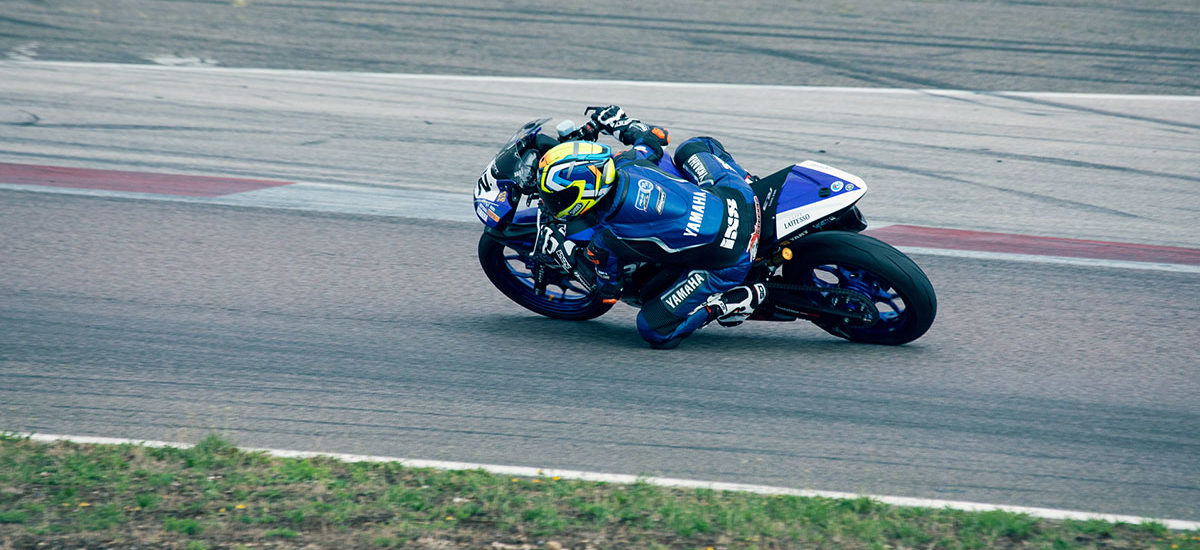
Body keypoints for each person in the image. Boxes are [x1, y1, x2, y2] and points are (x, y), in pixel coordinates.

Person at [533, 105, 766, 349]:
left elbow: (608, 292)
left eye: (558, 197)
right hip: (740, 196)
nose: (553, 202)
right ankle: (753, 182)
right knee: (694, 147)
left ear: (585, 194)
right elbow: (654, 139)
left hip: (731, 258)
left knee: (653, 329)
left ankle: (730, 302)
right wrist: (618, 122)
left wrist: (567, 255)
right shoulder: (629, 162)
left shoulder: (608, 238)